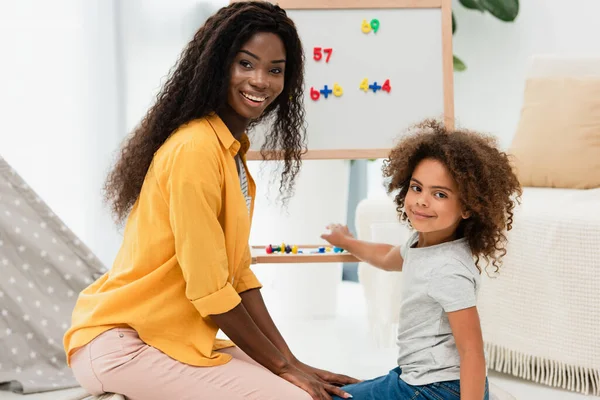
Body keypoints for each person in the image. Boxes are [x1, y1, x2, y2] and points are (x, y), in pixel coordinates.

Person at [63, 2, 357, 399]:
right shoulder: (195, 149)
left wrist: (292, 362)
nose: (261, 81)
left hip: (167, 339)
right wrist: (285, 369)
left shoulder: (230, 152)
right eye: (245, 64)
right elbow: (210, 291)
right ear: (217, 65)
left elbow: (238, 279)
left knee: (308, 385)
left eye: (275, 69)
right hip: (123, 345)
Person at [322, 120, 522, 400]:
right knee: (344, 390)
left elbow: (472, 351)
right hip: (421, 378)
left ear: (467, 207)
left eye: (439, 194)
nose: (422, 201)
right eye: (417, 188)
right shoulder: (423, 243)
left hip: (437, 389)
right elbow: (389, 256)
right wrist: (347, 242)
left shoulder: (448, 269)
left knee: (326, 396)